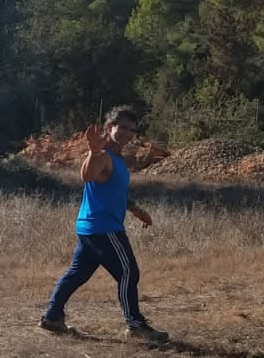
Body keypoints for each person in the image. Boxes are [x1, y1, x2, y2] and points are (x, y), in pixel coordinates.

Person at [39, 106, 169, 342]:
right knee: (128, 272)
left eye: (132, 130)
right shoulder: (103, 155)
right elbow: (87, 176)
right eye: (123, 127)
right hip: (104, 229)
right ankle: (136, 325)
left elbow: (114, 191)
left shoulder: (117, 158)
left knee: (76, 274)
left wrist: (136, 210)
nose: (128, 133)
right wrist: (93, 152)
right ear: (110, 127)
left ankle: (52, 317)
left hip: (89, 227)